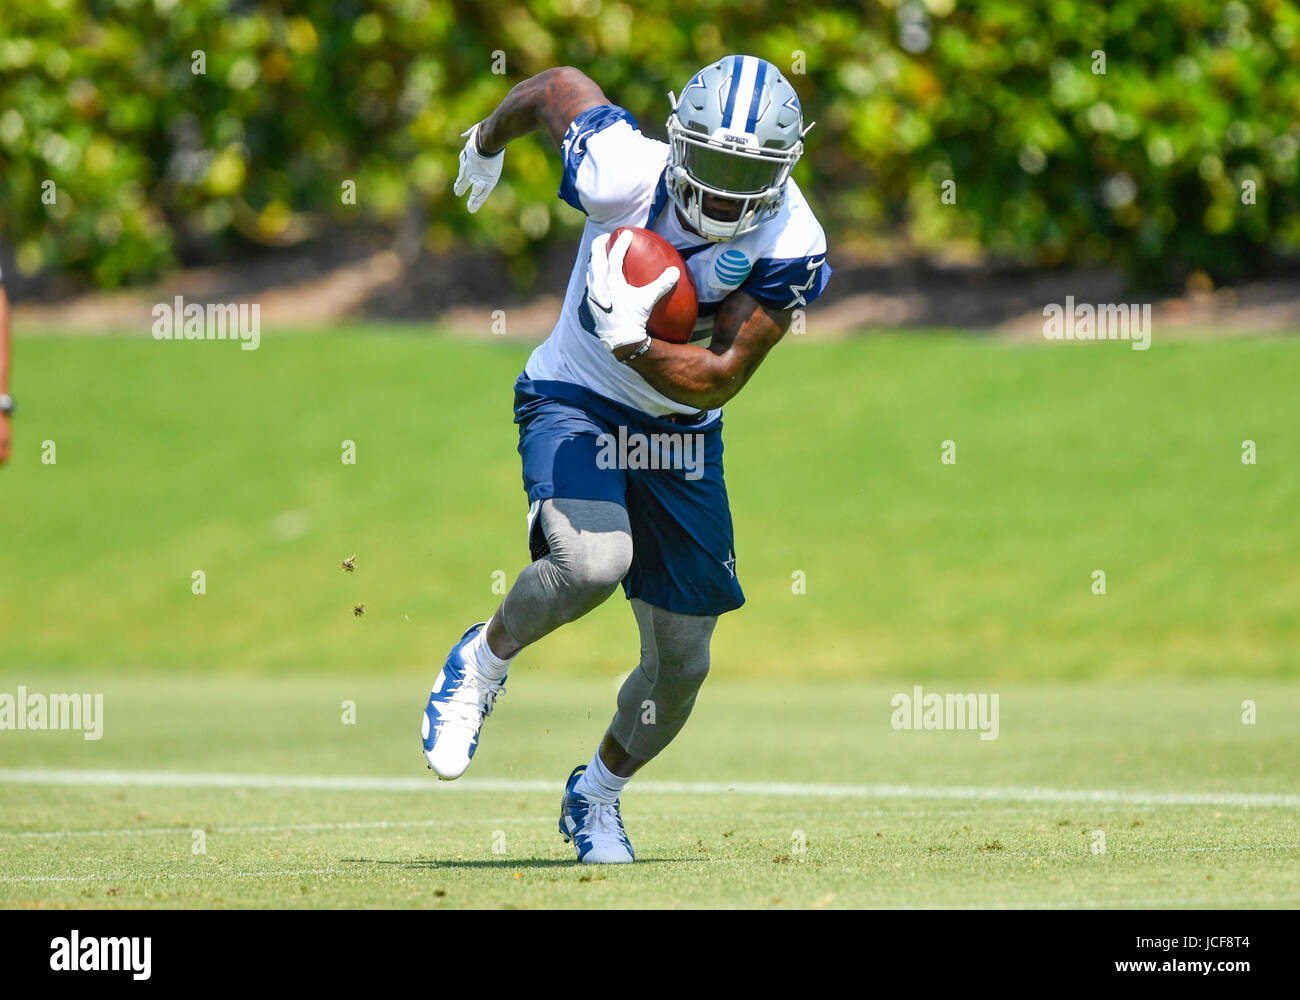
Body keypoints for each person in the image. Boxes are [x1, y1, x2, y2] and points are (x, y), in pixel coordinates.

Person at [425, 57, 831, 863]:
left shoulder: (792, 241)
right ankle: (482, 660)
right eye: (710, 164)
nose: (719, 194)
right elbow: (553, 86)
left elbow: (718, 379)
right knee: (591, 562)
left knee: (682, 664)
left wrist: (636, 343)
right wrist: (484, 139)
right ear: (677, 141)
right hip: (572, 396)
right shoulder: (620, 170)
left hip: (680, 429)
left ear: (783, 171)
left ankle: (597, 796)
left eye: (744, 175)